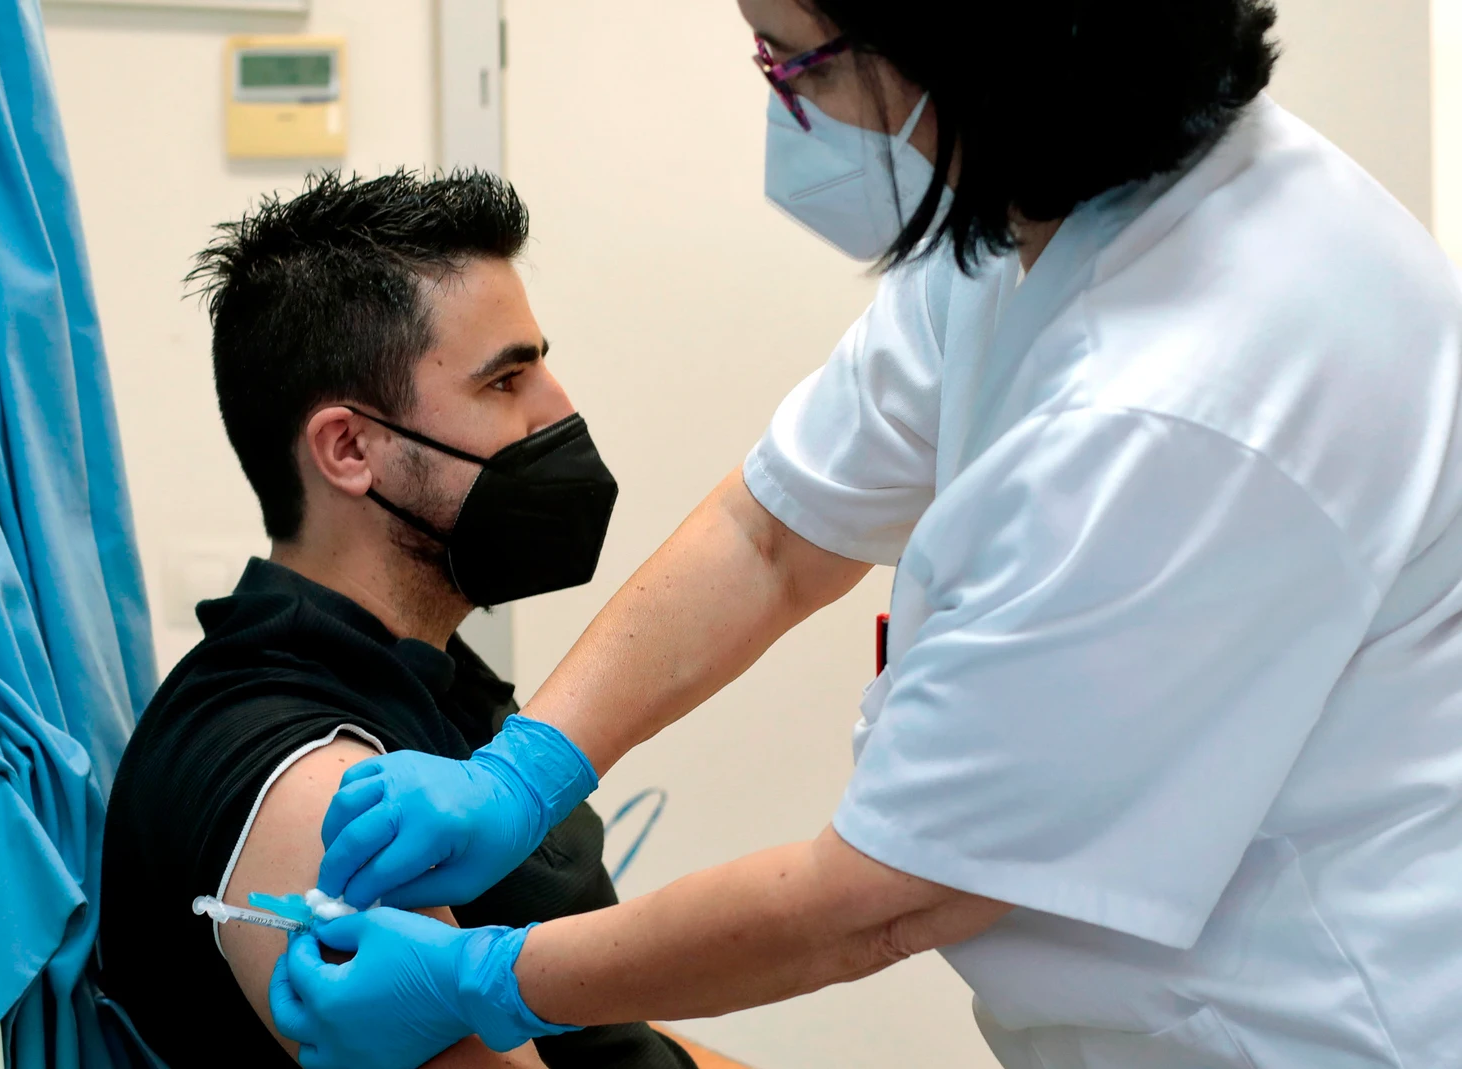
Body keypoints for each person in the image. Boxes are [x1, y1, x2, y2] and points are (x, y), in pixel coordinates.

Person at [269, 2, 1462, 1068]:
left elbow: (874, 902)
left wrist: (485, 981)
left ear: (962, 57)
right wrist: (523, 772)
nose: (784, 109)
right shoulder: (1038, 218)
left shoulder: (1181, 403)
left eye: (794, 64)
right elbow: (773, 533)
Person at [95, 170, 725, 1069]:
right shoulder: (319, 787)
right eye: (507, 380)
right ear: (350, 449)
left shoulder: (435, 679)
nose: (561, 411)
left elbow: (616, 1043)